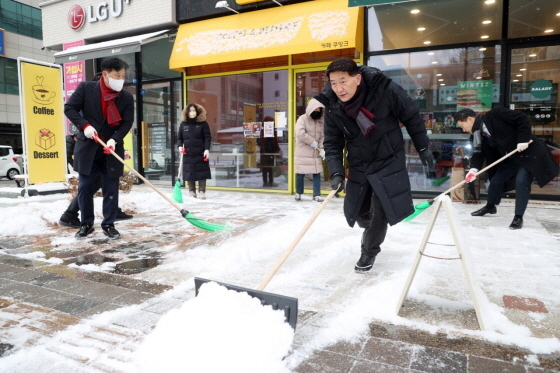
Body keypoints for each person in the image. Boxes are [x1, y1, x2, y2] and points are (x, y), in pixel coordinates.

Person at [316, 57, 434, 272]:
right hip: (360, 162)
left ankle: (369, 251)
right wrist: (336, 172)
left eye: (343, 81)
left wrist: (423, 147)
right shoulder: (332, 105)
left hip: (388, 158)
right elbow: (333, 141)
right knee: (359, 213)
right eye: (333, 83)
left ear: (358, 78)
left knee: (380, 210)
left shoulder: (385, 89)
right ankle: (369, 232)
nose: (339, 89)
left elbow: (411, 116)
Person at [64, 57, 134, 239]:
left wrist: (114, 140)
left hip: (111, 149)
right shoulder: (86, 89)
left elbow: (127, 122)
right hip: (88, 147)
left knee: (111, 188)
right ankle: (86, 223)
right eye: (116, 75)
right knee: (86, 187)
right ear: (105, 74)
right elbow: (70, 108)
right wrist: (85, 126)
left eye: (123, 76)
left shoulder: (126, 97)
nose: (120, 79)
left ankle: (109, 224)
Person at [456, 107, 559, 229]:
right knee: (496, 180)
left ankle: (518, 217)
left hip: (529, 153)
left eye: (462, 126)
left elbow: (522, 118)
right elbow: (478, 153)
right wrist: (473, 170)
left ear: (470, 119)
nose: (463, 129)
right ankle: (490, 207)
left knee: (521, 181)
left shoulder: (495, 115)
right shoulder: (477, 135)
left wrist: (523, 140)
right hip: (512, 158)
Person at [177, 103, 211, 199]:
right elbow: (179, 138)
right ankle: (192, 191)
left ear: (197, 111)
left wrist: (207, 149)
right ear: (187, 112)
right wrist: (179, 146)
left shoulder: (203, 124)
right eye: (190, 110)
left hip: (200, 153)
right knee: (189, 172)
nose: (192, 112)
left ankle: (202, 192)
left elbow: (207, 138)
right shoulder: (183, 124)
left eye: (194, 110)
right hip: (188, 153)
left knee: (201, 173)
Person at [294, 98, 325, 202]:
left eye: (318, 109)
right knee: (300, 173)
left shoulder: (320, 121)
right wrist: (312, 141)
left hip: (315, 152)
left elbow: (322, 136)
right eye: (315, 109)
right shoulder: (302, 119)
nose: (317, 111)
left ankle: (316, 195)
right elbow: (300, 133)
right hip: (303, 151)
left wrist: (321, 148)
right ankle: (298, 193)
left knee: (317, 173)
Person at [259, 116, 281, 187]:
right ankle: (270, 182)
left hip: (263, 152)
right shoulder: (270, 131)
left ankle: (265, 182)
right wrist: (276, 149)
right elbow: (274, 142)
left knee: (265, 168)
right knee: (270, 167)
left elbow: (259, 142)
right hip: (270, 152)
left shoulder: (262, 131)